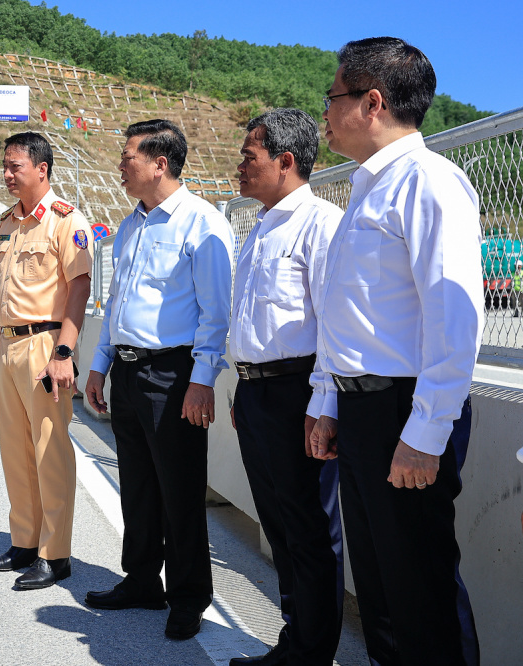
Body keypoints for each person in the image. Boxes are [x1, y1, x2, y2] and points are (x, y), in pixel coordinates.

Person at [311, 37, 482, 665]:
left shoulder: (429, 182)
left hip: (406, 412)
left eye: (332, 97)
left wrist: (426, 433)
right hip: (364, 412)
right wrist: (330, 400)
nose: (324, 112)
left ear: (372, 101)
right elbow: (353, 315)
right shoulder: (366, 187)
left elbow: (454, 318)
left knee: (422, 590)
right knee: (381, 590)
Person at [83, 119, 234, 640]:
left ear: (159, 163)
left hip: (173, 373)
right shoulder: (131, 226)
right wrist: (100, 365)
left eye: (129, 158)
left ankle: (190, 597)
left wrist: (201, 380)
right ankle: (142, 579)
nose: (121, 166)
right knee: (139, 487)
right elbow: (119, 303)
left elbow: (217, 315)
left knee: (180, 490)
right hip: (126, 370)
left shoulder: (202, 224)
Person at [227, 109, 344, 665]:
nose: (238, 171)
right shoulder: (261, 227)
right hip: (256, 394)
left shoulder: (320, 223)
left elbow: (332, 326)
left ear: (286, 160)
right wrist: (241, 388)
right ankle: (294, 639)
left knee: (308, 528)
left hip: (299, 392)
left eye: (249, 158)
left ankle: (311, 651)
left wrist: (323, 405)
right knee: (279, 524)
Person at [0, 132, 93, 590]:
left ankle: (55, 553)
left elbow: (79, 288)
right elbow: (1, 291)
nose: (6, 175)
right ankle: (24, 541)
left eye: (14, 167)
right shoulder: (7, 224)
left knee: (50, 450)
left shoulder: (65, 220)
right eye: (4, 166)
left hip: (45, 344)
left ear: (41, 169)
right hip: (7, 346)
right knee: (16, 450)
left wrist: (65, 351)